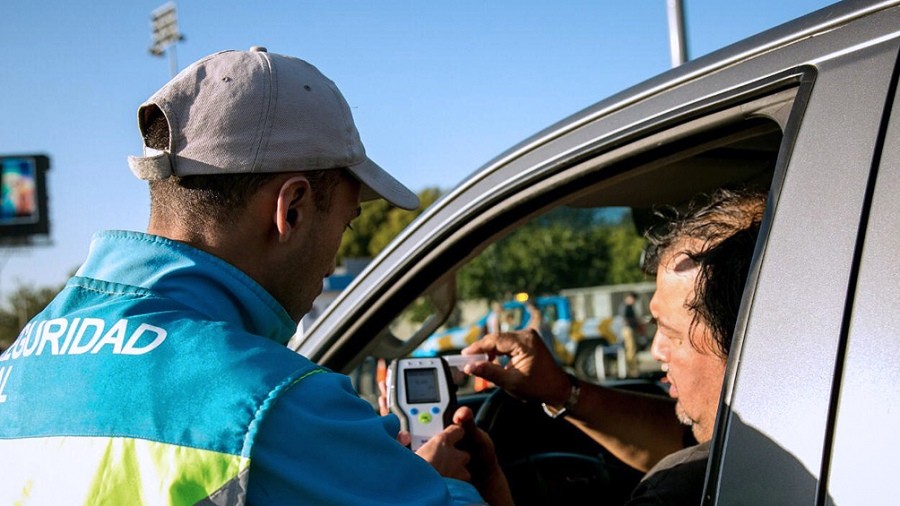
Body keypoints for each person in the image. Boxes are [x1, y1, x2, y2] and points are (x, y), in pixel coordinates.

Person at [0, 47, 511, 506]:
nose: (334, 260)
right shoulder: (281, 401)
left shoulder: (19, 363)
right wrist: (444, 485)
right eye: (345, 223)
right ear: (291, 208)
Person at [463, 187, 766, 505]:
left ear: (743, 342)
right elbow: (680, 442)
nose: (657, 350)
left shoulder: (676, 493)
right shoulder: (765, 447)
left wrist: (483, 486)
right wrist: (561, 391)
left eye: (671, 333)